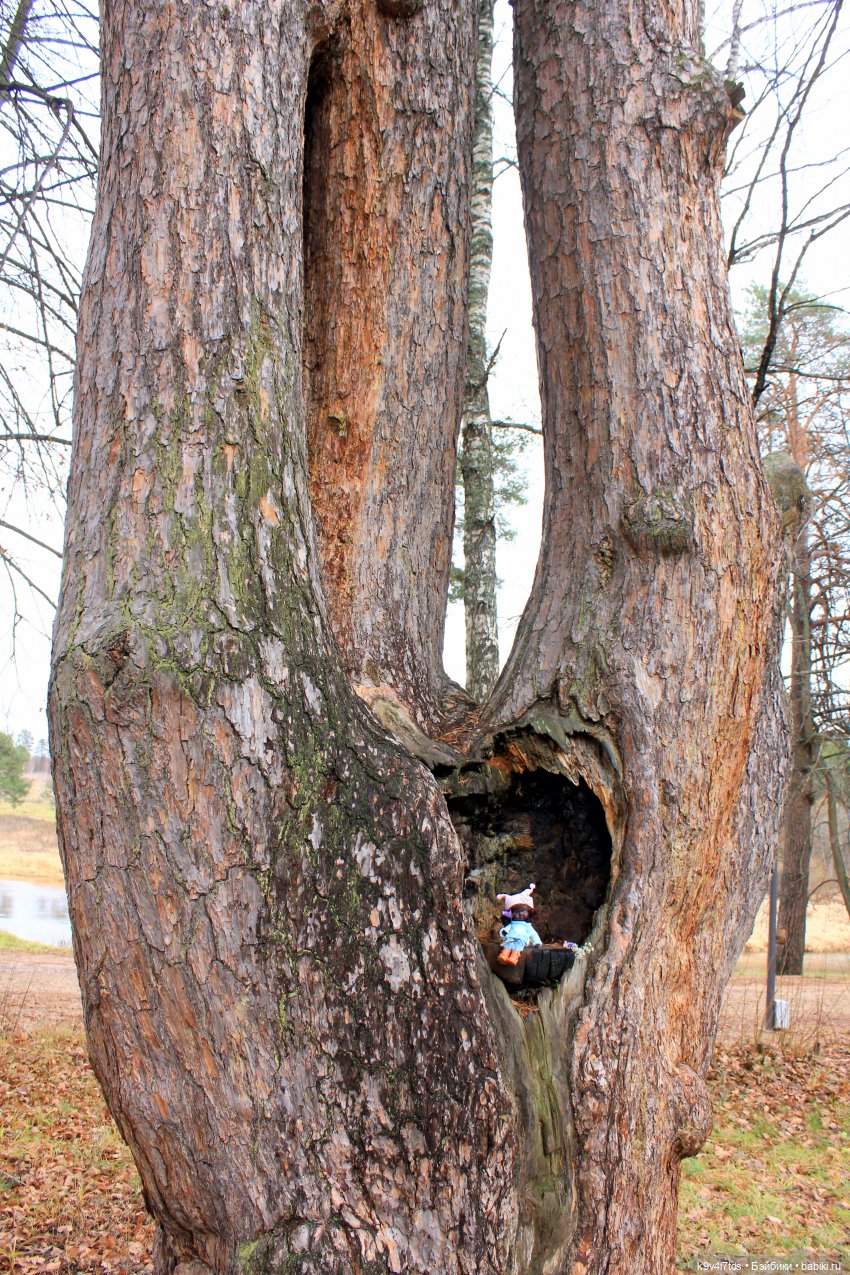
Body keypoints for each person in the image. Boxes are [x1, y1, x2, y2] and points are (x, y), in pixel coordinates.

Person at [496, 883, 542, 966]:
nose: (520, 914)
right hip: (510, 938)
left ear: (529, 912)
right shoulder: (512, 924)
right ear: (511, 914)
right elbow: (506, 929)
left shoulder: (527, 926)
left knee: (517, 948)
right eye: (516, 911)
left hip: (521, 940)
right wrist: (503, 932)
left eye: (524, 911)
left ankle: (514, 958)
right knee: (508, 946)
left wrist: (537, 942)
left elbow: (533, 934)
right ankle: (503, 956)